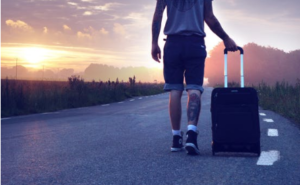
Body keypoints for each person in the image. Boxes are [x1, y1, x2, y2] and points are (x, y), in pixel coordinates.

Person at [151, 0, 238, 155]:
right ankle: (191, 136)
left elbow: (158, 16)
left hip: (172, 44)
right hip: (195, 44)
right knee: (194, 88)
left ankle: (176, 138)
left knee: (175, 90)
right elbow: (209, 17)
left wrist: (154, 43)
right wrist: (225, 37)